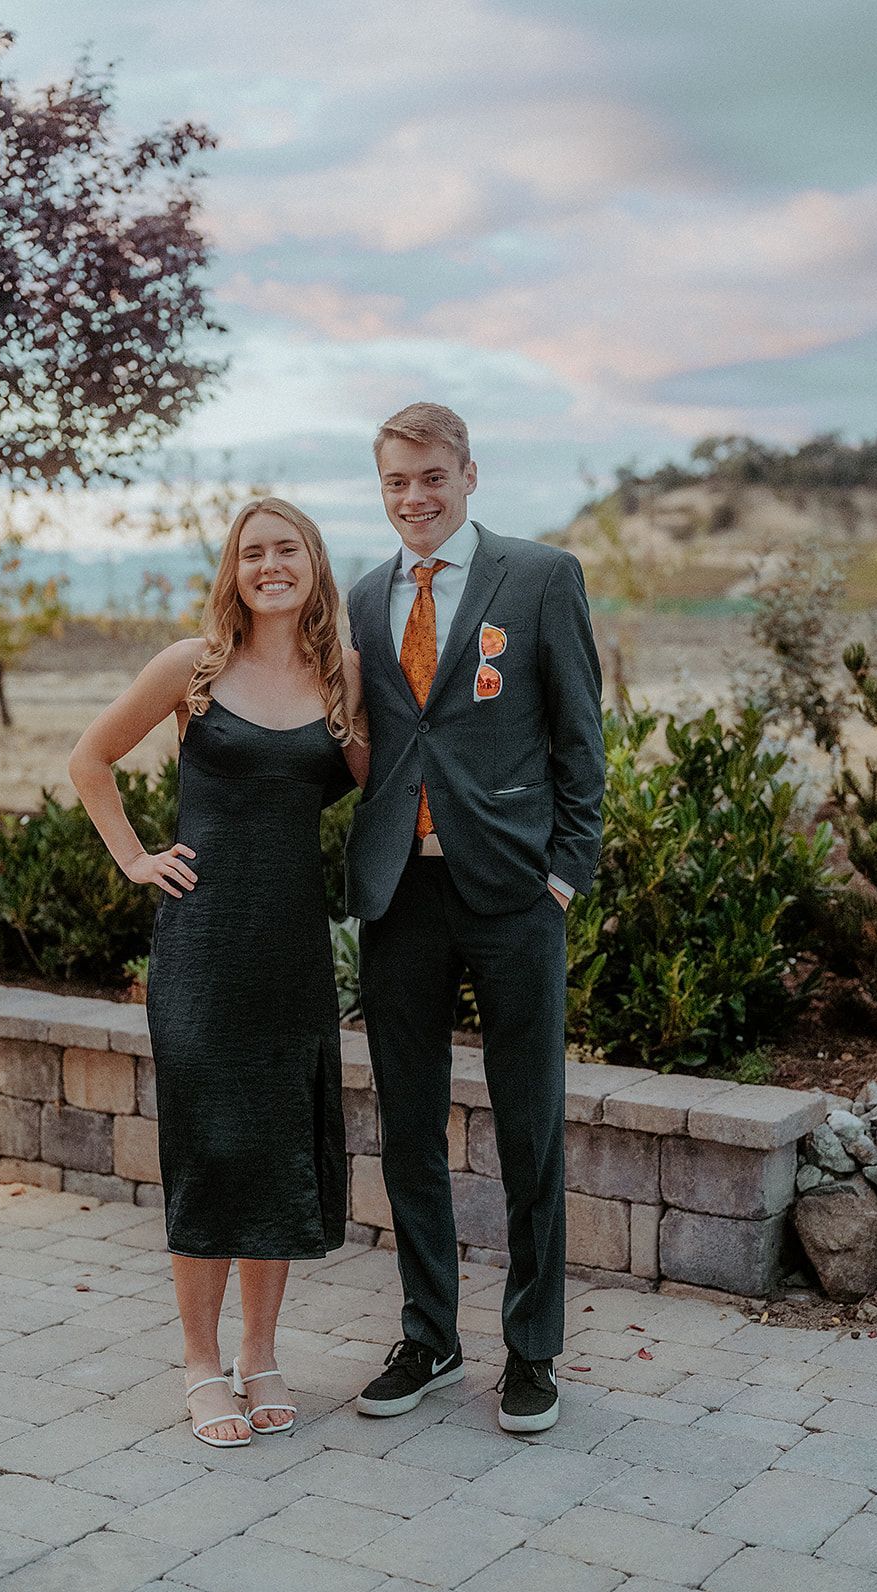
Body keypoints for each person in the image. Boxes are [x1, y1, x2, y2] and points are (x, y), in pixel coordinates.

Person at [68, 497, 367, 1447]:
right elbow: (91, 758)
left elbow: (391, 780)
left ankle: (263, 1354)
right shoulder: (189, 667)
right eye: (253, 553)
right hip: (201, 949)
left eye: (287, 550)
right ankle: (202, 1366)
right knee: (209, 1150)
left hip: (291, 952)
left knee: (279, 1151)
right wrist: (133, 858)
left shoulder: (342, 678)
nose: (270, 565)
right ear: (233, 571)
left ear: (313, 564)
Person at [345, 403, 604, 1433]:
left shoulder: (538, 578)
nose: (414, 497)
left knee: (528, 1124)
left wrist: (563, 877)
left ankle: (531, 1348)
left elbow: (579, 740)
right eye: (396, 482)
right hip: (396, 897)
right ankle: (430, 1333)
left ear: (467, 474)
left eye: (431, 477)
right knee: (406, 1125)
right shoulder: (365, 600)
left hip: (511, 897)